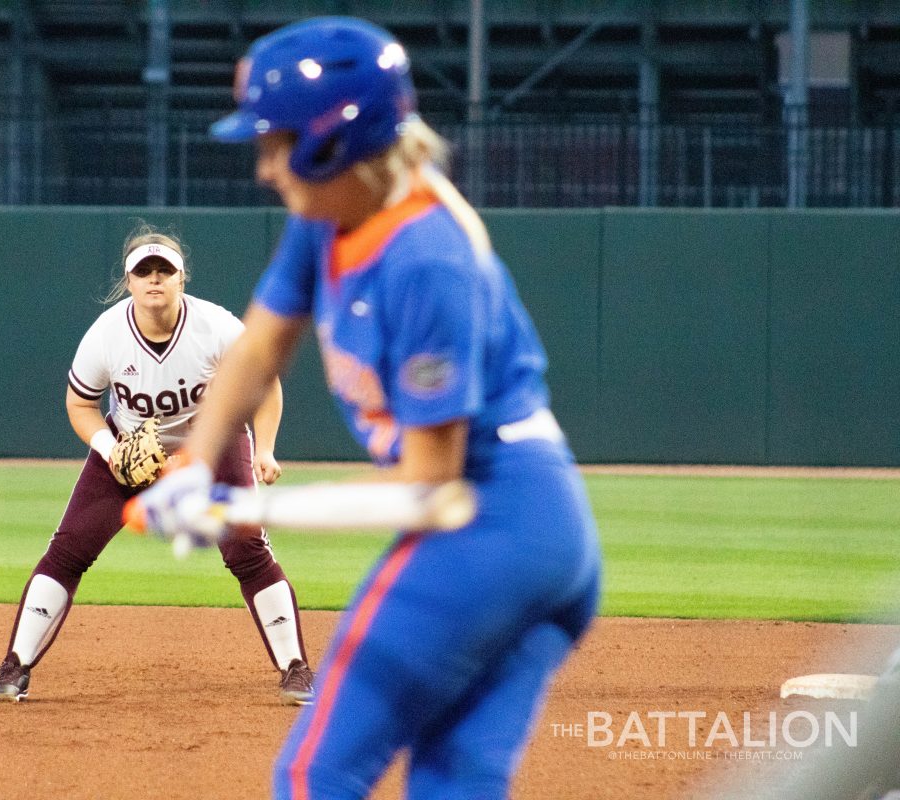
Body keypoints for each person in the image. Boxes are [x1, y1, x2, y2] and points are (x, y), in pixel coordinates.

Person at [128, 17, 601, 800]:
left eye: (276, 143)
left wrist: (230, 507)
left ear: (332, 144)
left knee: (318, 773)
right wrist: (193, 462)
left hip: (493, 525)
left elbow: (430, 488)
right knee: (455, 780)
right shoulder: (331, 219)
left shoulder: (426, 260)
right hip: (541, 535)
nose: (265, 168)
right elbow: (258, 348)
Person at [0, 224, 314, 706]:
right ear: (129, 282)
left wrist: (264, 449)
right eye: (144, 272)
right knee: (70, 549)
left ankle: (296, 668)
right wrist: (109, 447)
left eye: (165, 270)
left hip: (213, 445)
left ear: (183, 279)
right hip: (131, 449)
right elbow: (80, 404)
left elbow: (265, 384)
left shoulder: (217, 327)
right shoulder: (107, 335)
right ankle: (15, 666)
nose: (154, 279)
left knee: (247, 550)